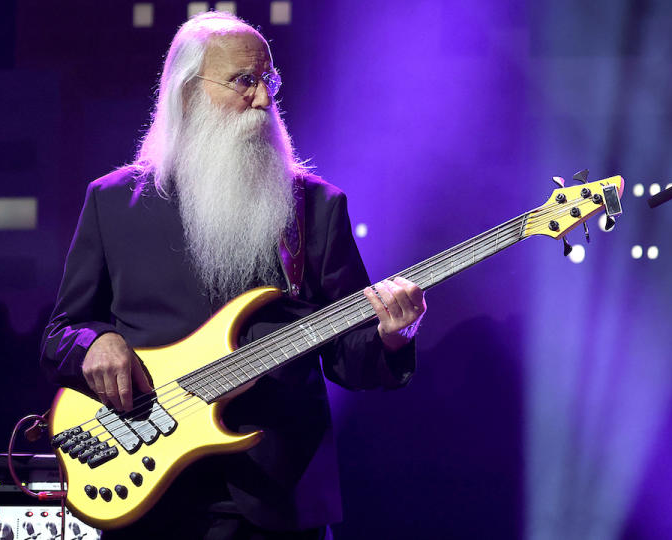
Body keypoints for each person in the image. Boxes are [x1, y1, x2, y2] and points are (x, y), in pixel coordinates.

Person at [41, 11, 426, 540]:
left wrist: (392, 334)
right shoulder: (112, 202)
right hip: (148, 490)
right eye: (244, 81)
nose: (264, 100)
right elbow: (60, 335)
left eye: (268, 80)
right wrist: (96, 343)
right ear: (186, 91)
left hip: (276, 497)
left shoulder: (315, 206)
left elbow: (348, 359)